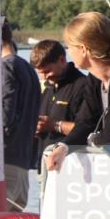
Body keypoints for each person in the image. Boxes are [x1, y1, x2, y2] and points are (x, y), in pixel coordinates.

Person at [46, 12, 110, 172]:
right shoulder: (95, 78)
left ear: (83, 49)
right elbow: (86, 121)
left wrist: (94, 139)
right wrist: (63, 147)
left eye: (69, 46)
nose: (68, 52)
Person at [1, 18, 41, 211]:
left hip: (5, 159)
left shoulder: (5, 67)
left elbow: (5, 117)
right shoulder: (29, 70)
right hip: (23, 161)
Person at [31, 40, 87, 169]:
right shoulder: (48, 86)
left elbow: (88, 128)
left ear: (62, 60)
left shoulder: (83, 85)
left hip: (72, 167)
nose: (44, 77)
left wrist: (54, 125)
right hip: (46, 164)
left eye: (47, 71)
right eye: (41, 73)